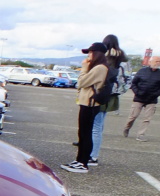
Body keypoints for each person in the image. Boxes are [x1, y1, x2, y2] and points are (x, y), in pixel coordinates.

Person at [62, 43, 109, 173]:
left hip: (91, 104)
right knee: (82, 133)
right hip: (86, 103)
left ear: (96, 53)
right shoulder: (97, 67)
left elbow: (81, 82)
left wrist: (84, 67)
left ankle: (83, 163)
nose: (88, 56)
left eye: (90, 52)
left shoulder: (100, 68)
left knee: (86, 133)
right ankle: (79, 160)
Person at [89, 34, 129, 166]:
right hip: (111, 96)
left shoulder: (103, 58)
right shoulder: (123, 59)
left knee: (95, 125)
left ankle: (93, 155)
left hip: (99, 94)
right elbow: (127, 80)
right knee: (99, 125)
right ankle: (93, 152)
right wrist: (117, 92)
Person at [123, 55, 160, 142]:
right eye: (156, 61)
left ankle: (141, 134)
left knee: (147, 119)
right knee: (133, 116)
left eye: (159, 62)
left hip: (152, 100)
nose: (157, 63)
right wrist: (137, 92)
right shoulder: (142, 71)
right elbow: (133, 84)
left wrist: (156, 94)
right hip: (139, 98)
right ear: (150, 62)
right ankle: (127, 127)